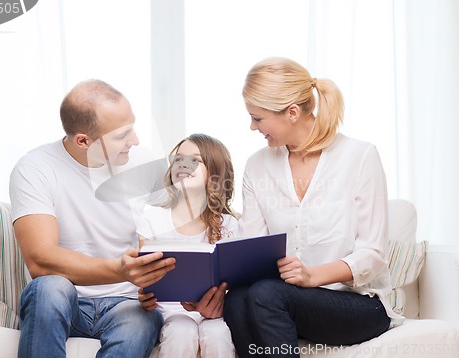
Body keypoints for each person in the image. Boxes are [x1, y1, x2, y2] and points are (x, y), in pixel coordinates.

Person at [223, 57, 404, 358]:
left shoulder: (359, 157)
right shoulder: (257, 166)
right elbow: (252, 249)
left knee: (265, 294)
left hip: (359, 304)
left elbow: (372, 255)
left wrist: (311, 276)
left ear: (292, 113)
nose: (252, 127)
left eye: (258, 118)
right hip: (287, 301)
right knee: (237, 298)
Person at [9, 79, 176, 358]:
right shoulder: (35, 168)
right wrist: (120, 270)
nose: (134, 141)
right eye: (122, 135)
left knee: (140, 319)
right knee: (49, 287)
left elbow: (192, 217)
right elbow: (40, 259)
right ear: (83, 141)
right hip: (67, 301)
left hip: (128, 303)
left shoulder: (142, 163)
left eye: (132, 128)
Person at [137, 133, 239, 357]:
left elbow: (236, 284)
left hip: (214, 314)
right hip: (169, 313)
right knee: (181, 331)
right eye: (179, 158)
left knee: (218, 333)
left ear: (214, 172)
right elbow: (144, 278)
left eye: (195, 160)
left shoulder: (230, 225)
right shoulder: (152, 220)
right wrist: (143, 296)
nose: (183, 164)